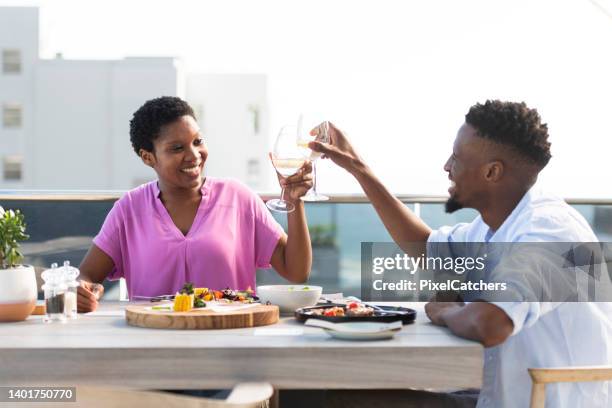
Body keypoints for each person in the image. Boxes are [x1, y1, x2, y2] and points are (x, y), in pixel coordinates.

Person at [310, 100, 612, 408]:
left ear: (492, 172)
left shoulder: (550, 232)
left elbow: (490, 324)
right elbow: (426, 248)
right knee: (344, 397)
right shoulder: (494, 226)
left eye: (457, 157)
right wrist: (358, 168)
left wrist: (445, 312)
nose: (446, 166)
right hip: (494, 394)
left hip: (540, 402)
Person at [77, 96, 313, 312]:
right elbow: (87, 274)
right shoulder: (129, 209)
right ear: (148, 157)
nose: (194, 155)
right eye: (177, 148)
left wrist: (295, 200)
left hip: (230, 339)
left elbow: (296, 271)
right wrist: (83, 290)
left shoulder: (238, 198)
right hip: (153, 339)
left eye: (197, 141)